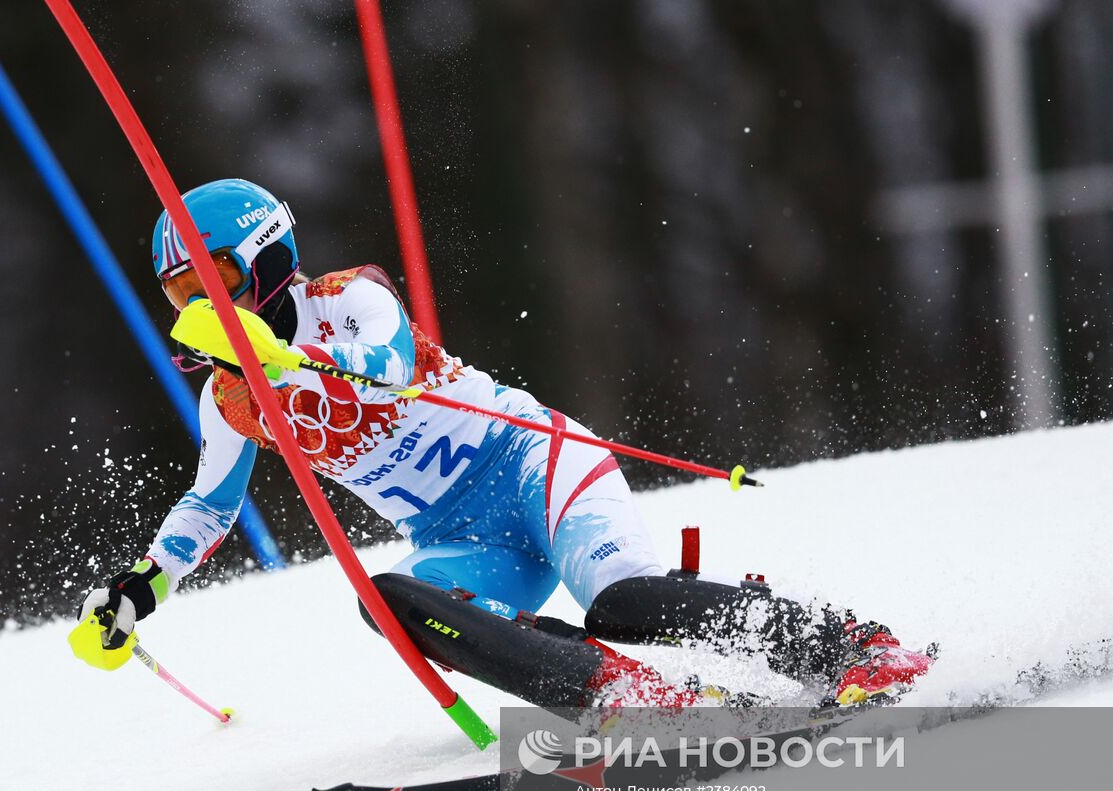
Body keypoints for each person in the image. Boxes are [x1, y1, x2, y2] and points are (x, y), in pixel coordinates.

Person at [72, 178, 932, 709]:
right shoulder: (229, 398)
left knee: (622, 598)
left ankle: (850, 648)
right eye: (181, 289)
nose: (197, 307)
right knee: (391, 603)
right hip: (464, 539)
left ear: (264, 262)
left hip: (532, 466)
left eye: (213, 280)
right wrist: (137, 592)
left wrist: (282, 358)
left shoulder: (351, 296)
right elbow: (208, 505)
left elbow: (384, 363)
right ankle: (627, 697)